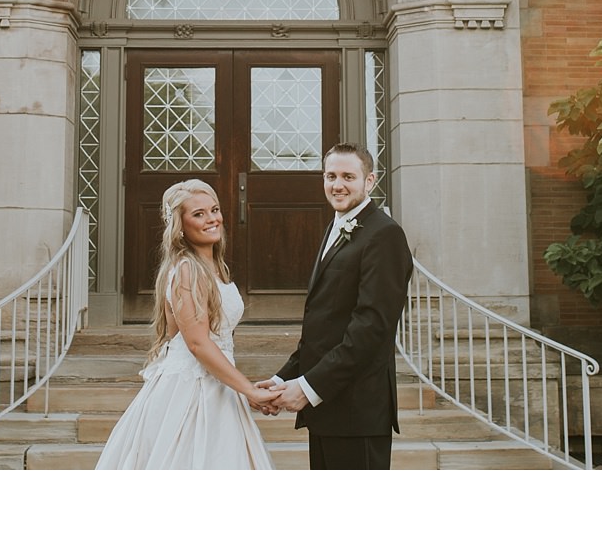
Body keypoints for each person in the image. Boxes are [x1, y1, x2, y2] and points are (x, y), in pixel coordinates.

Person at [94, 178, 279, 469]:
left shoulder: (215, 267)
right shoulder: (187, 271)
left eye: (214, 210)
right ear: (179, 226)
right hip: (192, 389)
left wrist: (241, 387)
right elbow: (197, 343)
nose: (212, 219)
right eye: (198, 214)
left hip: (218, 384)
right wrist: (249, 390)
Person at [256, 142, 412, 470]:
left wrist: (310, 388)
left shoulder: (385, 235)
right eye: (330, 176)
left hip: (358, 413)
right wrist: (282, 379)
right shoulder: (335, 226)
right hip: (328, 411)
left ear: (369, 181)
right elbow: (325, 325)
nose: (337, 184)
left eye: (347, 176)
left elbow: (371, 329)